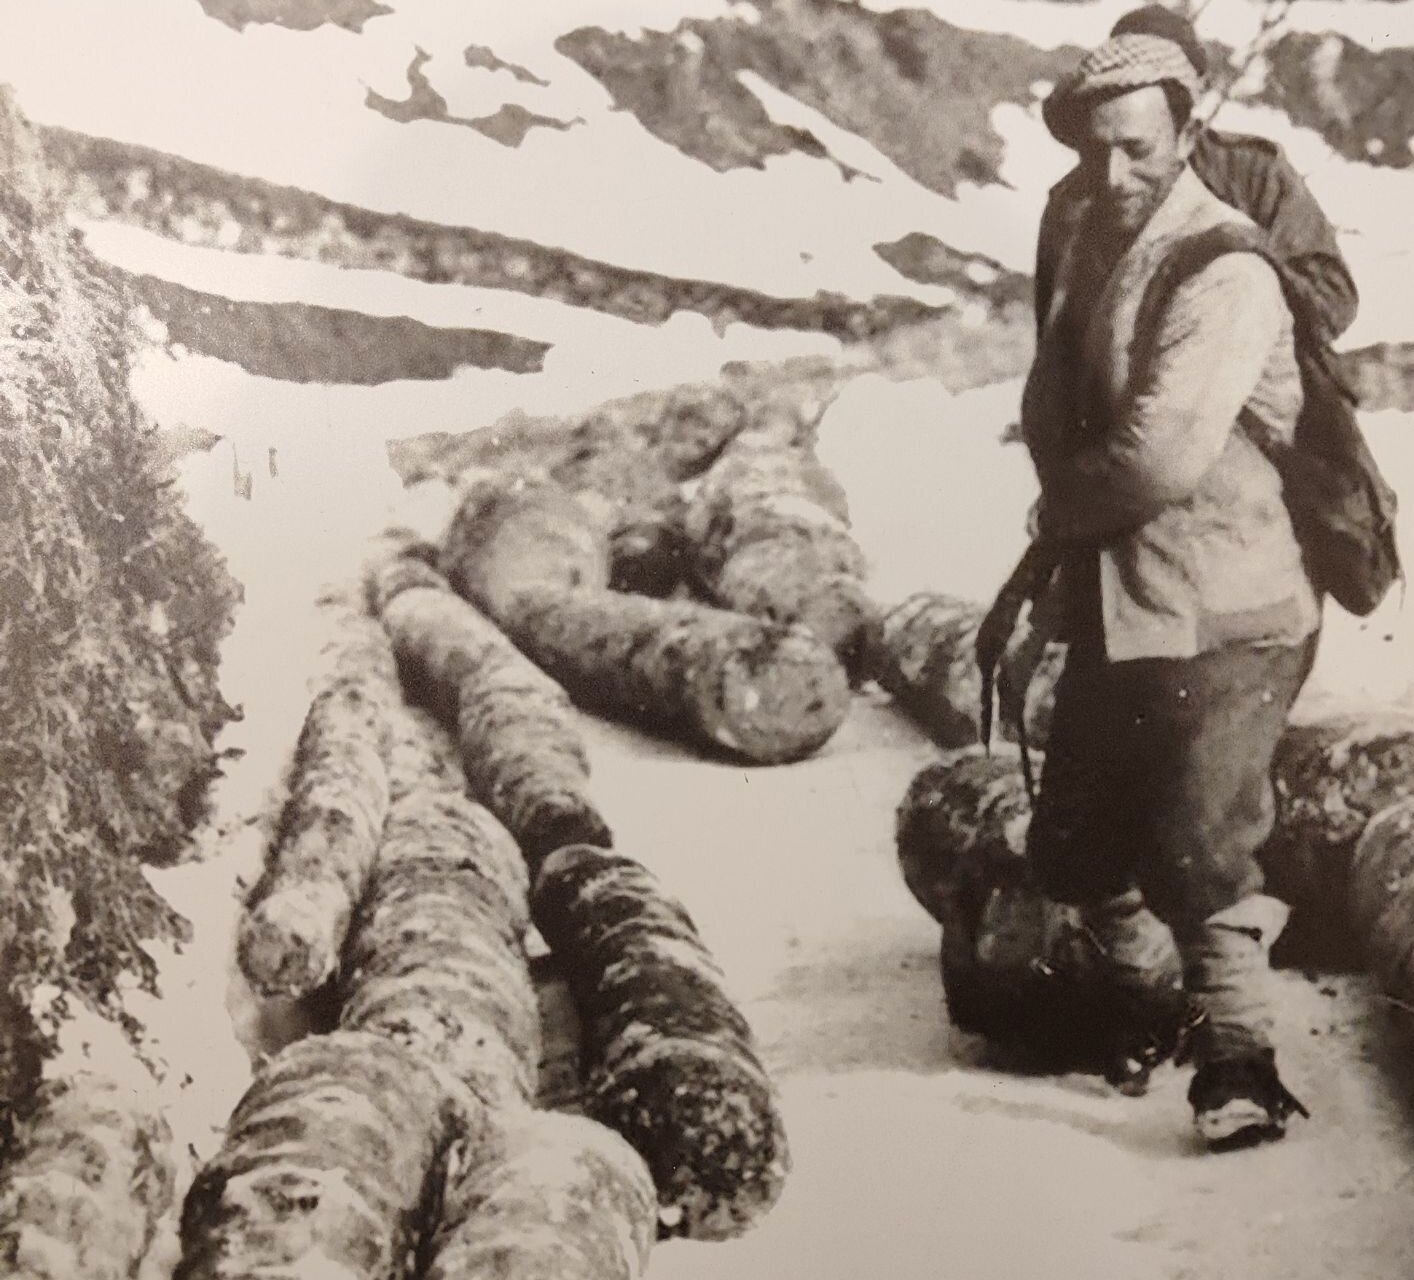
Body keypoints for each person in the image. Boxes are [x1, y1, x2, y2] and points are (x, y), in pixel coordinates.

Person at [1016, 27, 1326, 1150]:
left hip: (1231, 605)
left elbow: (1158, 457)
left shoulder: (1225, 266)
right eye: (1094, 150)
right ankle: (1148, 997)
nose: (1113, 173)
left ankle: (1238, 1059)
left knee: (1201, 842)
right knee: (1074, 838)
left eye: (1138, 149)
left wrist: (1061, 510)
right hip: (1126, 597)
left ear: (1189, 135)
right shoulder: (1085, 233)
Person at [1035, 4, 1358, 346]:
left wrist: (1249, 253)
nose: (1115, 175)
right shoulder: (1072, 202)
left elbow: (1333, 306)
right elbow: (1055, 347)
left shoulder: (1253, 172)